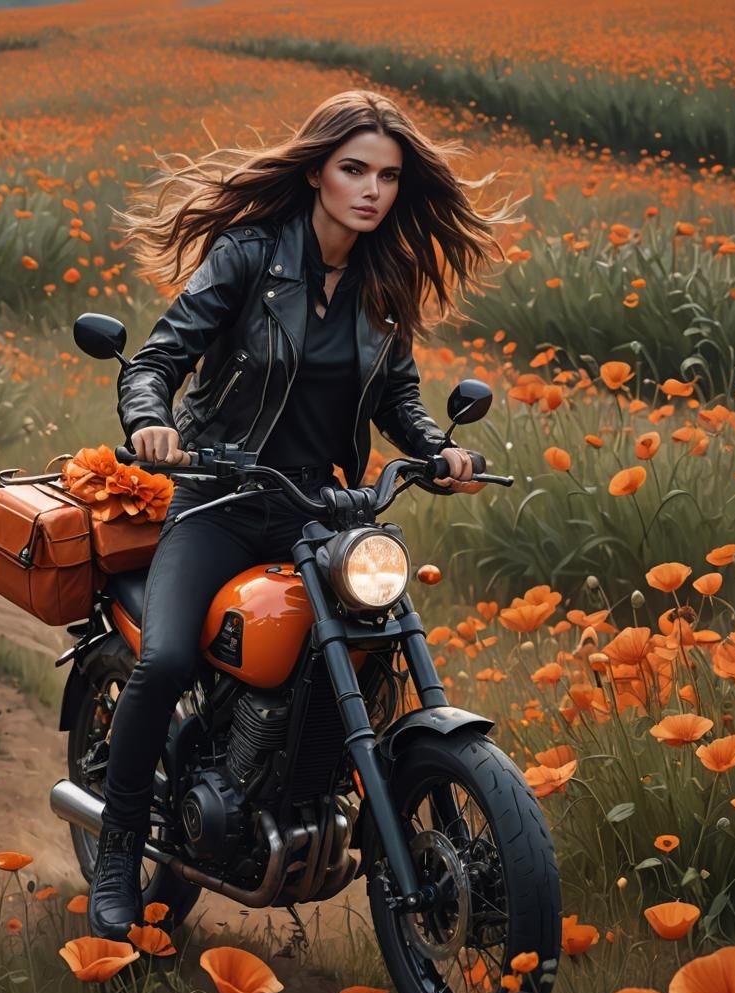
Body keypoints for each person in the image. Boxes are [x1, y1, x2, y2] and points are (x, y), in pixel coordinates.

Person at [88, 89, 522, 940]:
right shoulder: (248, 254)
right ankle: (116, 851)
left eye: (388, 176)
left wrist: (439, 447)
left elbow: (397, 397)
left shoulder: (382, 281)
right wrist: (150, 419)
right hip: (220, 498)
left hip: (323, 510)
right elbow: (160, 356)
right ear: (318, 170)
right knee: (169, 657)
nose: (372, 190)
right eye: (355, 169)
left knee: (368, 652)